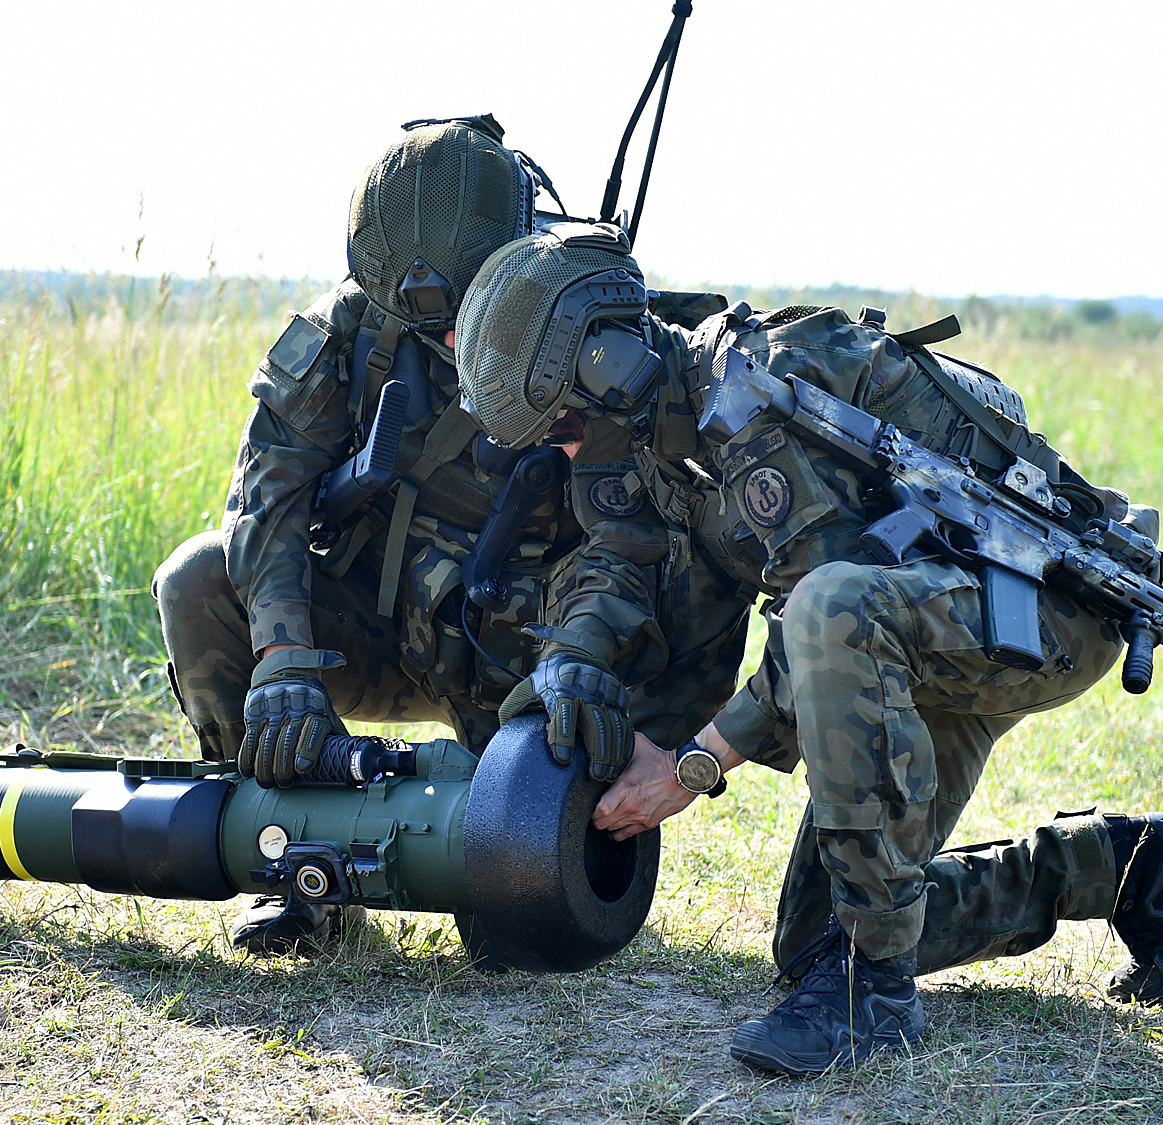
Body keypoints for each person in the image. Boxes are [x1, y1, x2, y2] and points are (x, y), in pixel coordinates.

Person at [453, 222, 1163, 1076]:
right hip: (914, 630)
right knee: (817, 937)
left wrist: (693, 765)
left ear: (606, 364)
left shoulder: (756, 399)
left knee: (828, 611)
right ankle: (1130, 868)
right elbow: (622, 555)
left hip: (1033, 613)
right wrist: (574, 662)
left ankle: (874, 998)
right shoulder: (655, 429)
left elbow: (823, 629)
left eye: (562, 424)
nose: (564, 447)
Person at [152, 120, 752, 954]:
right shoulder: (353, 331)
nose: (444, 339)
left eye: (466, 311)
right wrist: (285, 659)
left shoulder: (590, 323)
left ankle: (537, 831)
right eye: (422, 319)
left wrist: (578, 664)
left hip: (544, 657)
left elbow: (629, 541)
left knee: (512, 923)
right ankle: (294, 863)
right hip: (392, 622)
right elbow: (268, 497)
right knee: (197, 579)